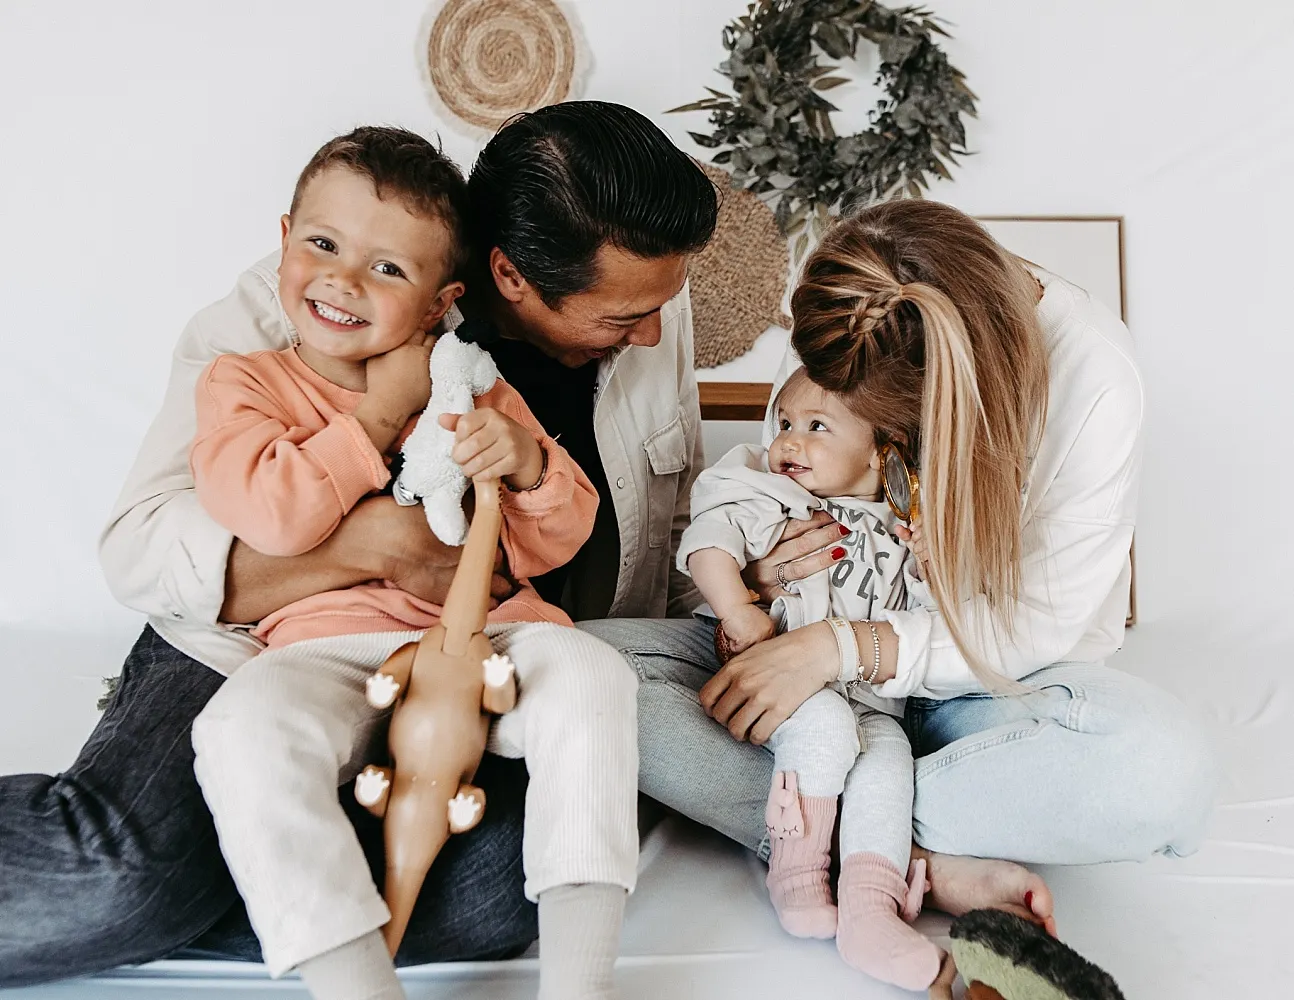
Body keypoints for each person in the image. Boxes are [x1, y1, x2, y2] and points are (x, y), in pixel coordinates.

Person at [0, 101, 719, 987]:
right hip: (268, 635)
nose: (651, 332)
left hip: (487, 648)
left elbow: (665, 526)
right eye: (620, 320)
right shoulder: (307, 307)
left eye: (656, 310)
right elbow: (139, 548)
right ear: (508, 276)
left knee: (493, 899)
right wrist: (367, 547)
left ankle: (270, 875)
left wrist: (741, 602)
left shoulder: (646, 297)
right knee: (125, 876)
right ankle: (198, 885)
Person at [577, 200, 1219, 975]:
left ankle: (833, 832)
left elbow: (1043, 630)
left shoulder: (1095, 375)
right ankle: (898, 854)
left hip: (982, 686)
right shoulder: (854, 322)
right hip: (807, 671)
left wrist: (843, 647)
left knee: (1161, 771)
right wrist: (757, 583)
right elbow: (766, 505)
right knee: (575, 667)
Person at [184, 126, 639, 1000]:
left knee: (593, 674)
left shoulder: (468, 383)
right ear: (283, 240)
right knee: (237, 730)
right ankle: (355, 983)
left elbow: (556, 537)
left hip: (490, 633)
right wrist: (382, 410)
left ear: (440, 302)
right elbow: (272, 514)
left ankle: (581, 984)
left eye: (390, 269)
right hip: (324, 647)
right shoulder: (243, 383)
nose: (345, 280)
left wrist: (529, 464)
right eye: (322, 244)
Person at [679, 367, 941, 989]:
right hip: (782, 676)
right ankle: (796, 872)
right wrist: (737, 608)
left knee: (886, 768)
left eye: (816, 428)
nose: (789, 442)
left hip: (875, 697)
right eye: (786, 425)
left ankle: (870, 907)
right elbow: (709, 539)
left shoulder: (911, 516)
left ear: (883, 450)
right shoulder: (771, 492)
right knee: (824, 728)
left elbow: (939, 627)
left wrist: (934, 562)